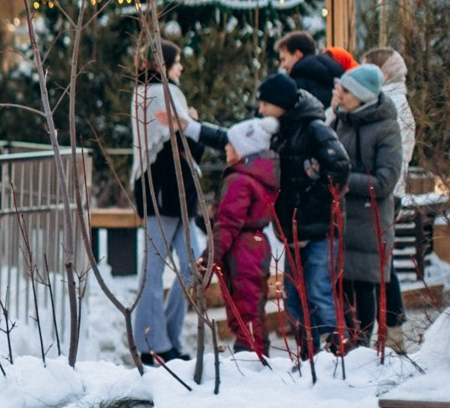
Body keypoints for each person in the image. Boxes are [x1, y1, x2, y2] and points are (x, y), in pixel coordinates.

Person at [175, 71, 350, 354]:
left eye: (264, 103)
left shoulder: (313, 129)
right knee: (294, 300)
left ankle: (338, 358)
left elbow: (339, 168)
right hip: (291, 232)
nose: (259, 109)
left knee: (318, 293)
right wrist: (189, 127)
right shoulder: (272, 129)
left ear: (279, 103)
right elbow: (230, 139)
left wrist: (309, 205)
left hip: (317, 230)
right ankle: (309, 360)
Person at [127, 39, 208, 366]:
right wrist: (191, 119)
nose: (181, 67)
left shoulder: (144, 92)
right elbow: (186, 144)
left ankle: (165, 337)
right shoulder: (163, 93)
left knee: (191, 264)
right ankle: (153, 343)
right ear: (163, 64)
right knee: (162, 267)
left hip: (168, 193)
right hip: (166, 191)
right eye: (177, 61)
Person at [332, 63, 404, 349]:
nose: (340, 95)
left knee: (363, 286)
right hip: (340, 220)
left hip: (369, 221)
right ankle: (347, 346)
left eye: (346, 91)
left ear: (361, 95)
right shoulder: (341, 120)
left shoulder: (386, 128)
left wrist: (344, 179)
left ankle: (361, 347)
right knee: (341, 287)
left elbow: (386, 181)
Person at [208, 117, 279, 360]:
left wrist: (208, 259)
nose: (226, 148)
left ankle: (251, 358)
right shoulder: (254, 177)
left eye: (231, 144)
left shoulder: (239, 180)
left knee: (245, 311)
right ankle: (256, 352)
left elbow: (227, 223)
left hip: (243, 252)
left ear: (243, 150)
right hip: (254, 248)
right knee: (252, 309)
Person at [363, 45, 417, 331]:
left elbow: (393, 155)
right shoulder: (393, 100)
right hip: (389, 190)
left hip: (385, 192)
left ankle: (393, 328)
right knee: (382, 262)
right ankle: (392, 328)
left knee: (381, 263)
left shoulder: (391, 104)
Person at [274, 30, 346, 112]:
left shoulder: (296, 86)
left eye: (284, 59)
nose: (282, 65)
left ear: (297, 55)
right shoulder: (336, 73)